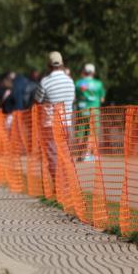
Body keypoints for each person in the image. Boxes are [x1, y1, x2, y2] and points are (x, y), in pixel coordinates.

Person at [34, 51, 76, 181]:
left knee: (52, 154)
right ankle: (66, 182)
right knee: (65, 154)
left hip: (50, 124)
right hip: (67, 123)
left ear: (48, 65)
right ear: (62, 64)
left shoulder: (45, 82)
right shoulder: (70, 81)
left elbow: (37, 101)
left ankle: (58, 183)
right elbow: (72, 99)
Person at [75, 63, 106, 160]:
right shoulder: (98, 84)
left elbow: (75, 97)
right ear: (93, 72)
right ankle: (88, 154)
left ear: (84, 71)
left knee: (80, 133)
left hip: (82, 111)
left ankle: (80, 155)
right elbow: (102, 99)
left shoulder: (78, 83)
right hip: (94, 111)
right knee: (92, 133)